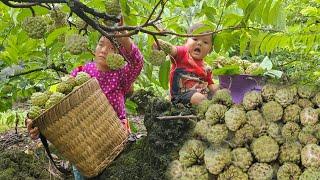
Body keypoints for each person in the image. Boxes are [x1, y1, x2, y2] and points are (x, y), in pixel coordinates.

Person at [25, 23, 144, 179]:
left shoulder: (121, 75)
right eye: (101, 44)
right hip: (84, 142)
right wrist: (34, 120)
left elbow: (137, 62)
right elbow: (56, 99)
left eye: (112, 48)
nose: (103, 50)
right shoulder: (82, 71)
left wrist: (123, 35)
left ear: (120, 55)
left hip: (113, 139)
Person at [156, 23, 219, 105]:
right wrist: (159, 44)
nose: (199, 43)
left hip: (202, 97)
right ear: (186, 41)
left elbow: (211, 85)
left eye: (205, 42)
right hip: (180, 96)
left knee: (217, 94)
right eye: (195, 39)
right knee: (199, 98)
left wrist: (221, 89)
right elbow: (172, 49)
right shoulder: (183, 53)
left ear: (210, 49)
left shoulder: (206, 68)